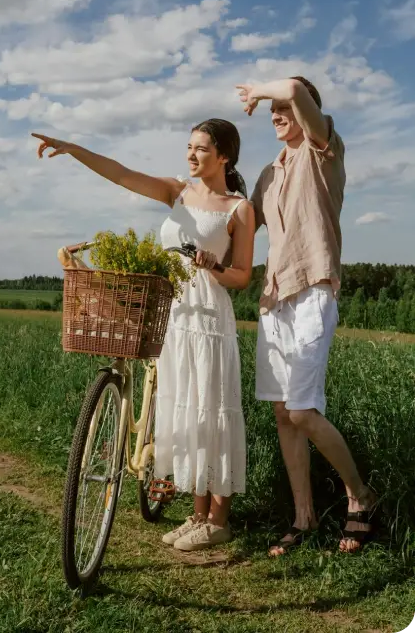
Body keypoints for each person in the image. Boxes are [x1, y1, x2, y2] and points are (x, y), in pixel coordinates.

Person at [32, 119, 255, 552]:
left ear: (224, 156)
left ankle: (218, 520)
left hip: (209, 321)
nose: (191, 155)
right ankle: (196, 515)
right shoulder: (177, 191)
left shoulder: (238, 208)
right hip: (173, 315)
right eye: (189, 147)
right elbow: (121, 173)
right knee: (186, 414)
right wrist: (73, 147)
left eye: (201, 149)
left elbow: (243, 276)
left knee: (212, 414)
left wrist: (212, 266)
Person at [236, 76, 377, 555]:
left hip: (314, 288)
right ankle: (304, 516)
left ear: (308, 110)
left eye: (283, 109)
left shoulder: (324, 148)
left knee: (302, 409)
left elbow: (295, 88)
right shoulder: (269, 172)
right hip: (274, 297)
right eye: (270, 110)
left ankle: (360, 495)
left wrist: (260, 90)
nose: (277, 115)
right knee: (282, 413)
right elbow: (244, 224)